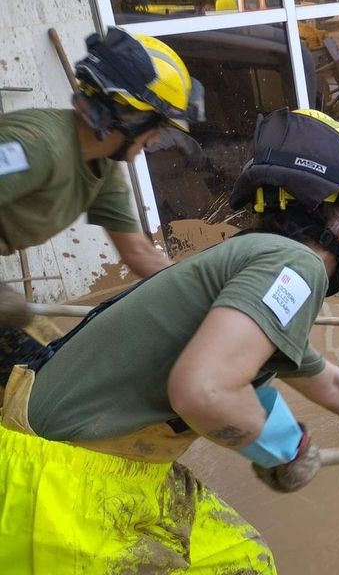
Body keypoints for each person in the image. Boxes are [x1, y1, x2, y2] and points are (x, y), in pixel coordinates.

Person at [0, 108, 339, 573]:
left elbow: (326, 381)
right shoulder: (295, 267)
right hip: (62, 483)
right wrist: (284, 446)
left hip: (96, 461)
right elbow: (204, 391)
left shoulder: (252, 263)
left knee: (240, 557)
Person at [0, 27, 204, 382]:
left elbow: (139, 252)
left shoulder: (103, 167)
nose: (156, 138)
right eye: (158, 126)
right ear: (129, 115)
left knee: (45, 379)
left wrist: (203, 299)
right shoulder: (34, 147)